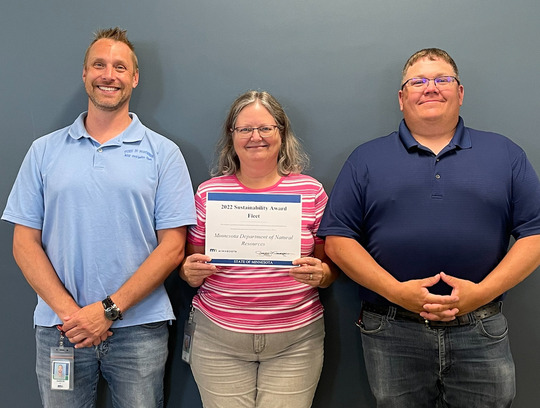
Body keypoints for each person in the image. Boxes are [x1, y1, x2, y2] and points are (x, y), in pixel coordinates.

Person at [318, 48, 540, 408]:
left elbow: (535, 234)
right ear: (402, 97)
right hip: (391, 329)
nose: (431, 88)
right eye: (418, 81)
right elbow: (338, 241)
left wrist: (480, 293)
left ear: (460, 92)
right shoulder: (365, 159)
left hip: (480, 327)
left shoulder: (505, 154)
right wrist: (396, 292)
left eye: (442, 79)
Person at [2, 27, 196, 407]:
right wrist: (73, 315)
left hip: (139, 330)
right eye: (99, 65)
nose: (109, 74)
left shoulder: (164, 153)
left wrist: (108, 310)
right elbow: (23, 243)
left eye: (120, 67)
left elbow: (173, 247)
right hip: (61, 329)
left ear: (134, 78)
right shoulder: (43, 151)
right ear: (85, 74)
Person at [180, 90, 338, 408]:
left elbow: (329, 269)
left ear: (281, 133)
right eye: (245, 129)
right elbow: (190, 264)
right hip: (217, 338)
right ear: (232, 136)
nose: (256, 137)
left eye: (266, 128)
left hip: (296, 339)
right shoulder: (209, 193)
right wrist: (189, 271)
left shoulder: (310, 191)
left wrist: (321, 274)